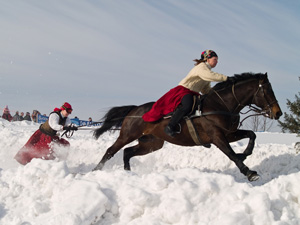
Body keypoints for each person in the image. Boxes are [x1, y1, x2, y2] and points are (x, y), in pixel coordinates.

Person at [142, 50, 228, 137]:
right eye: (215, 59)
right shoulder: (202, 67)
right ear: (207, 59)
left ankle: (200, 133)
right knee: (188, 105)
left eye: (217, 60)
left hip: (193, 93)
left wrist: (219, 93)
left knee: (202, 108)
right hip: (183, 91)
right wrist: (227, 79)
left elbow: (205, 89)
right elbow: (209, 76)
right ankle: (170, 126)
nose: (217, 62)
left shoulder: (207, 71)